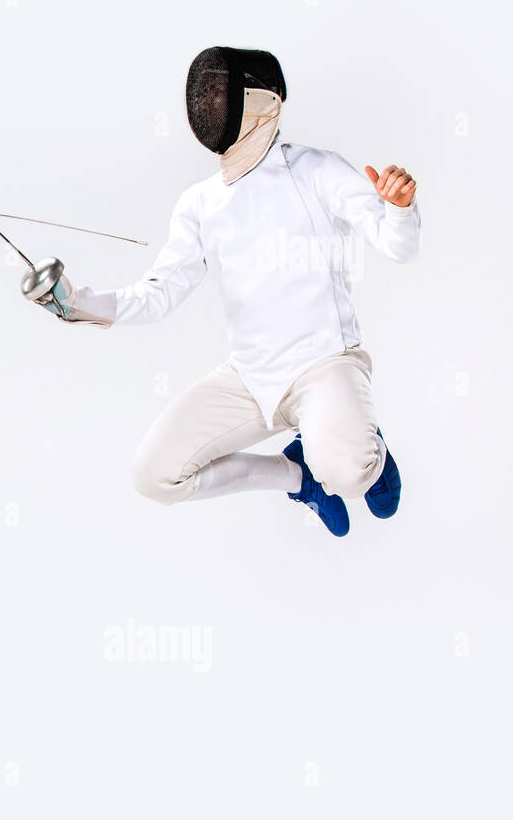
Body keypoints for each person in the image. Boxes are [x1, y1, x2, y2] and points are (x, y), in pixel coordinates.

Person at [23, 46, 419, 536]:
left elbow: (395, 246)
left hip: (324, 366)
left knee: (353, 475)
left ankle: (351, 439)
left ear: (261, 100)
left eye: (218, 92)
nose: (208, 103)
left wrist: (399, 209)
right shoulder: (199, 203)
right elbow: (158, 294)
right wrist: (77, 302)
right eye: (204, 93)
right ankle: (299, 476)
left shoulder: (315, 169)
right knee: (153, 475)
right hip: (250, 380)